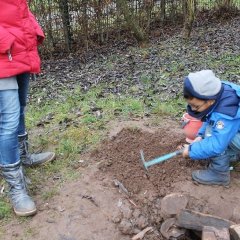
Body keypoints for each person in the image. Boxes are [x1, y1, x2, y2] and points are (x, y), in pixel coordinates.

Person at [0, 0, 55, 216]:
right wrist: (8, 41)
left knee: (20, 108)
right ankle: (16, 188)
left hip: (20, 49)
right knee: (8, 121)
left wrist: (32, 29)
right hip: (5, 51)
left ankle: (23, 157)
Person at [182, 69, 240, 186]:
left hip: (231, 129)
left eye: (196, 106)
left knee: (212, 136)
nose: (192, 109)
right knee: (210, 133)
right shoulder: (217, 91)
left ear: (210, 101)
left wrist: (191, 151)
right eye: (190, 105)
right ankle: (231, 155)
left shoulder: (227, 111)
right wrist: (199, 136)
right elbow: (210, 116)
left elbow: (217, 144)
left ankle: (219, 174)